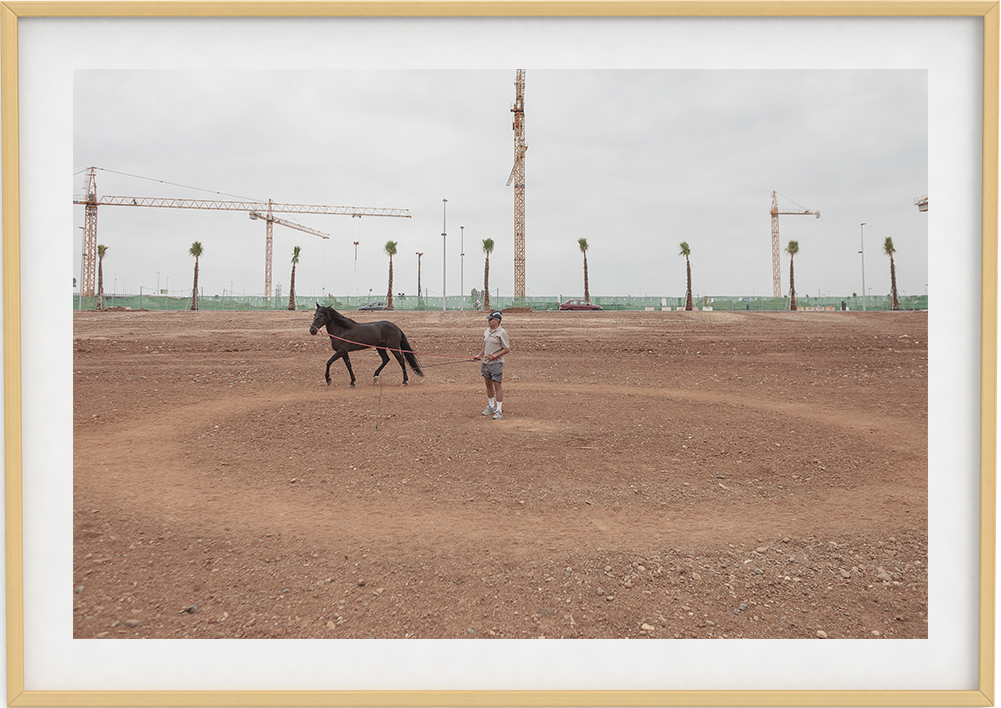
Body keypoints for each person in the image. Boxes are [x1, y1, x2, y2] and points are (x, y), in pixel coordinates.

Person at [477, 310, 511, 420]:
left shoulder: (502, 333)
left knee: (497, 385)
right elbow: (485, 347)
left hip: (496, 363)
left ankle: (499, 410)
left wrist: (495, 355)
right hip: (486, 362)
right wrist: (479, 356)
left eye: (490, 319)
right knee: (488, 384)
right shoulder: (487, 331)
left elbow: (507, 349)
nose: (488, 321)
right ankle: (491, 406)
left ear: (497, 320)